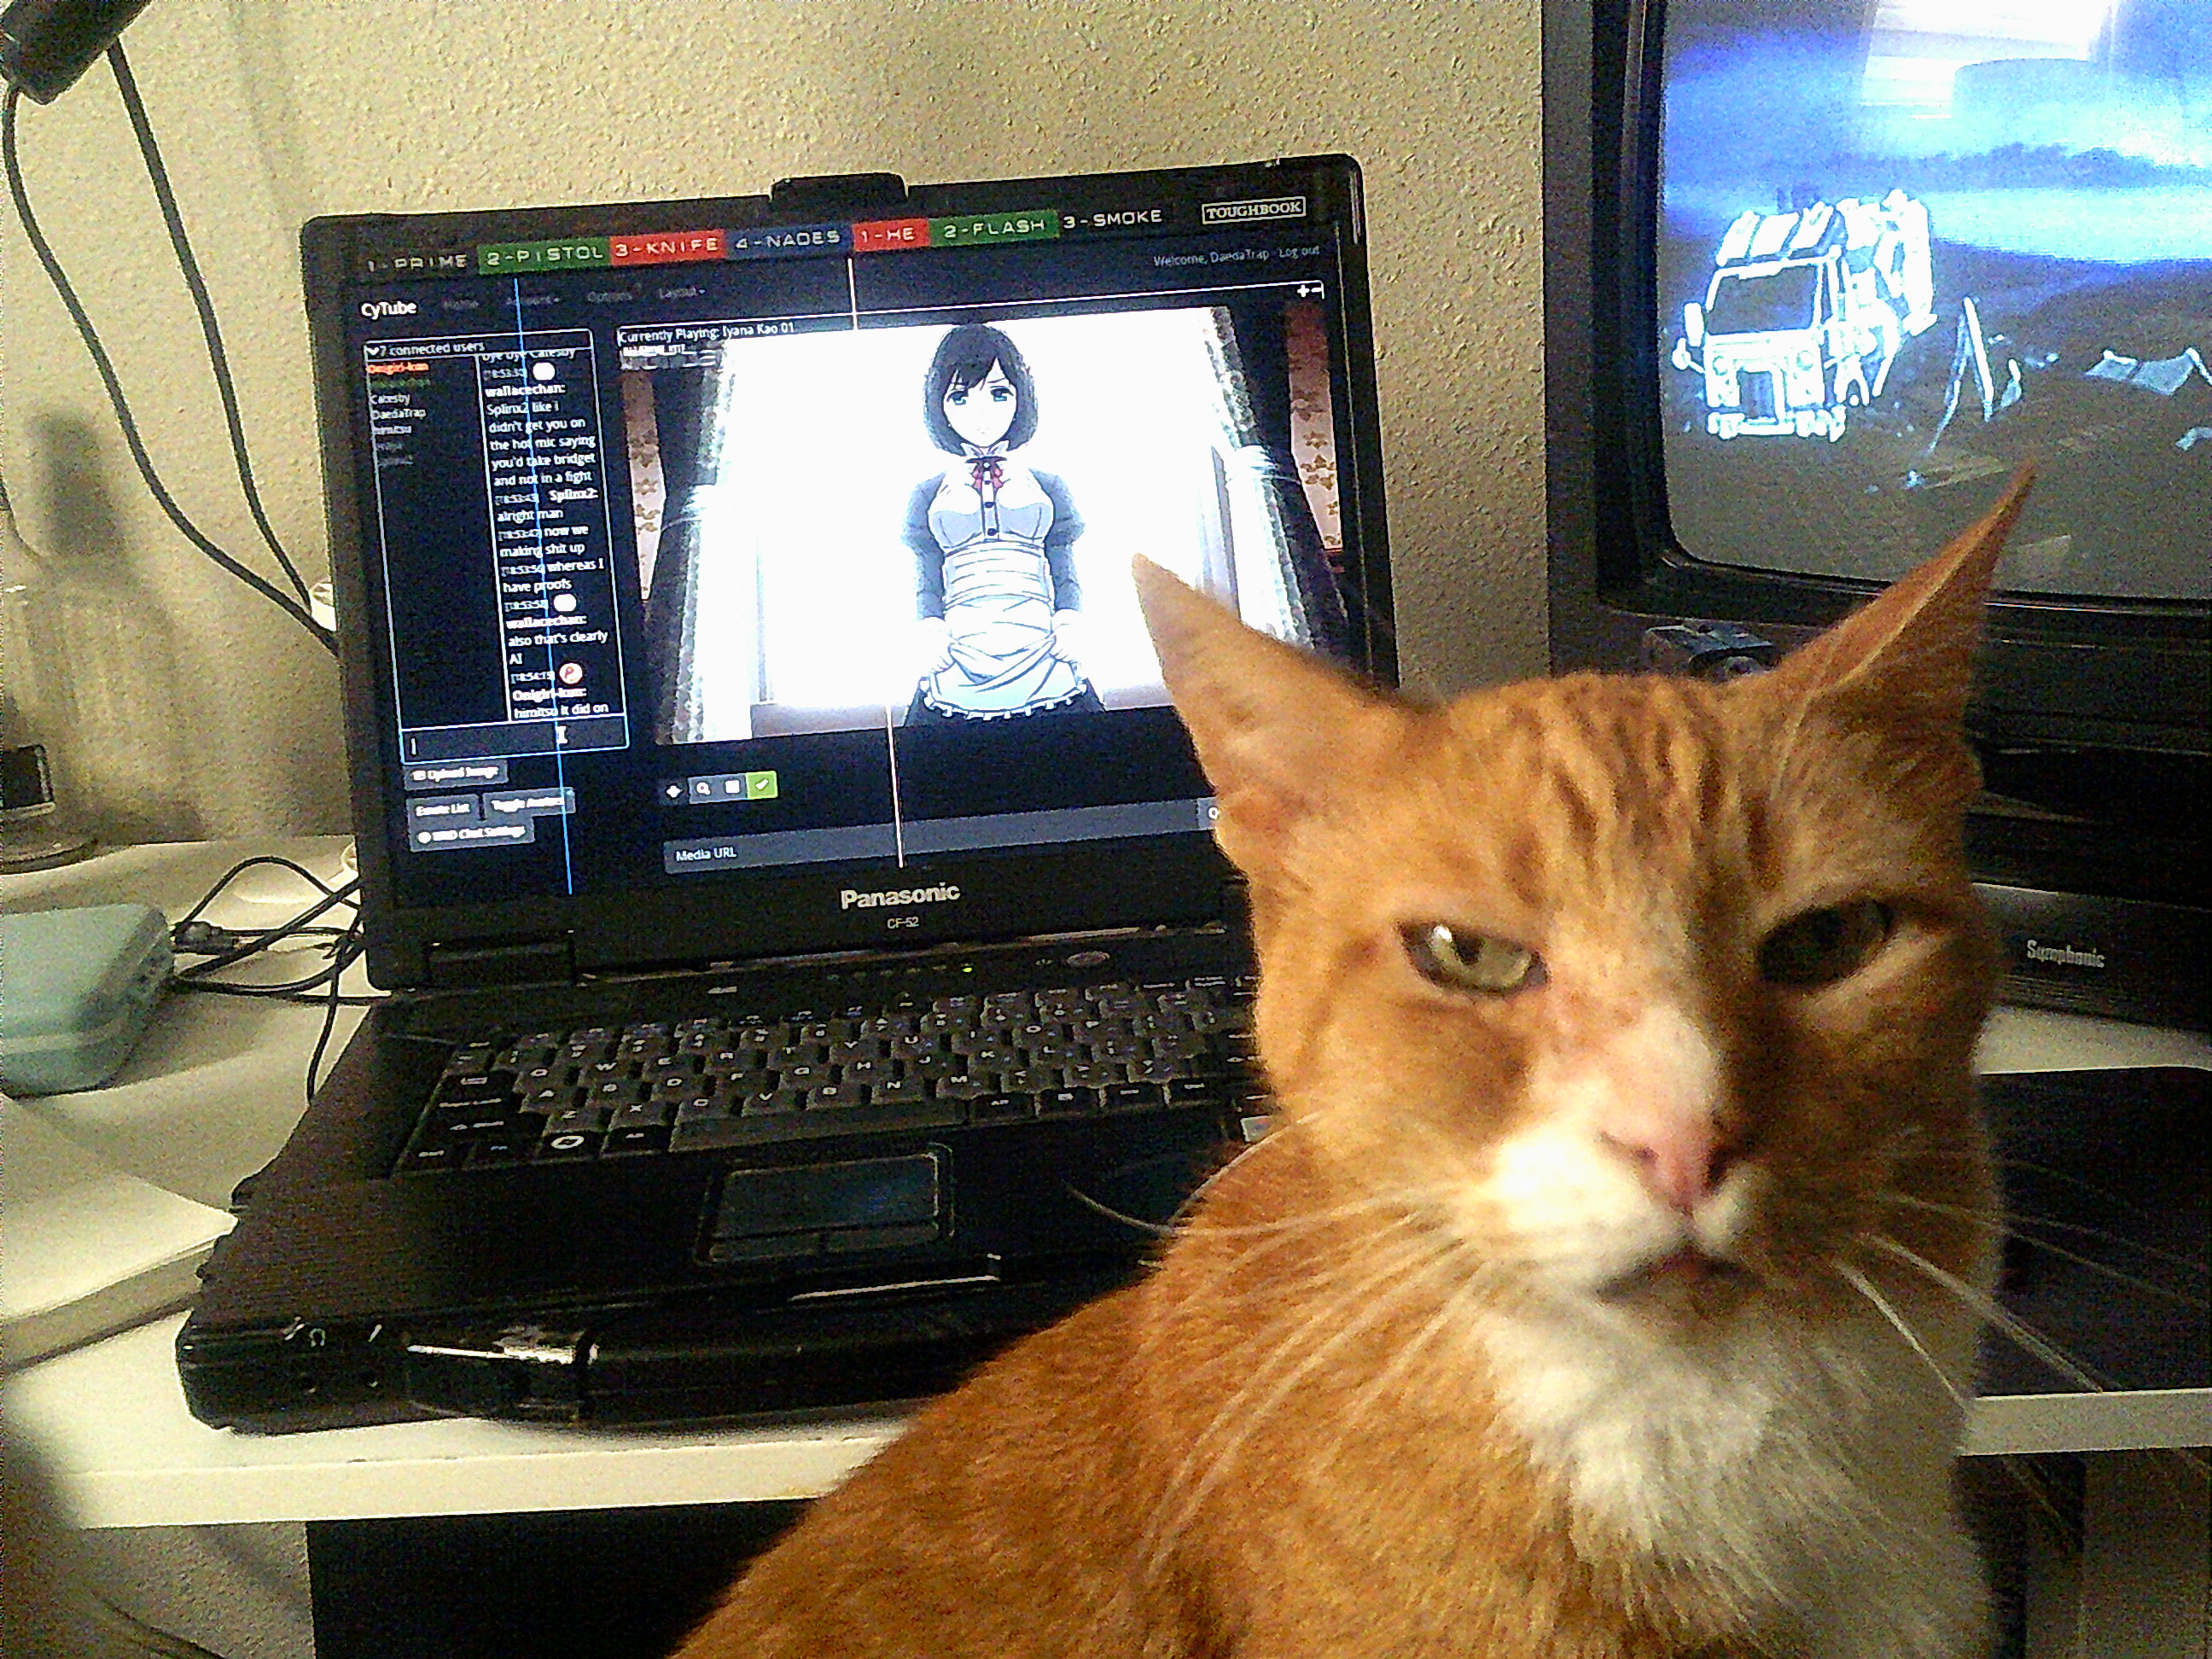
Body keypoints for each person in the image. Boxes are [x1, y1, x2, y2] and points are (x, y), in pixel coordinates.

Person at [903, 323, 1103, 724]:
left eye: (998, 394)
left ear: (1021, 396)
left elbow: (1063, 565)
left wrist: (1070, 620)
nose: (981, 413)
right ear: (938, 405)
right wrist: (930, 629)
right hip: (959, 650)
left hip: (1042, 643)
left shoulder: (1048, 484)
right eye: (960, 397)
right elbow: (927, 573)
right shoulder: (927, 492)